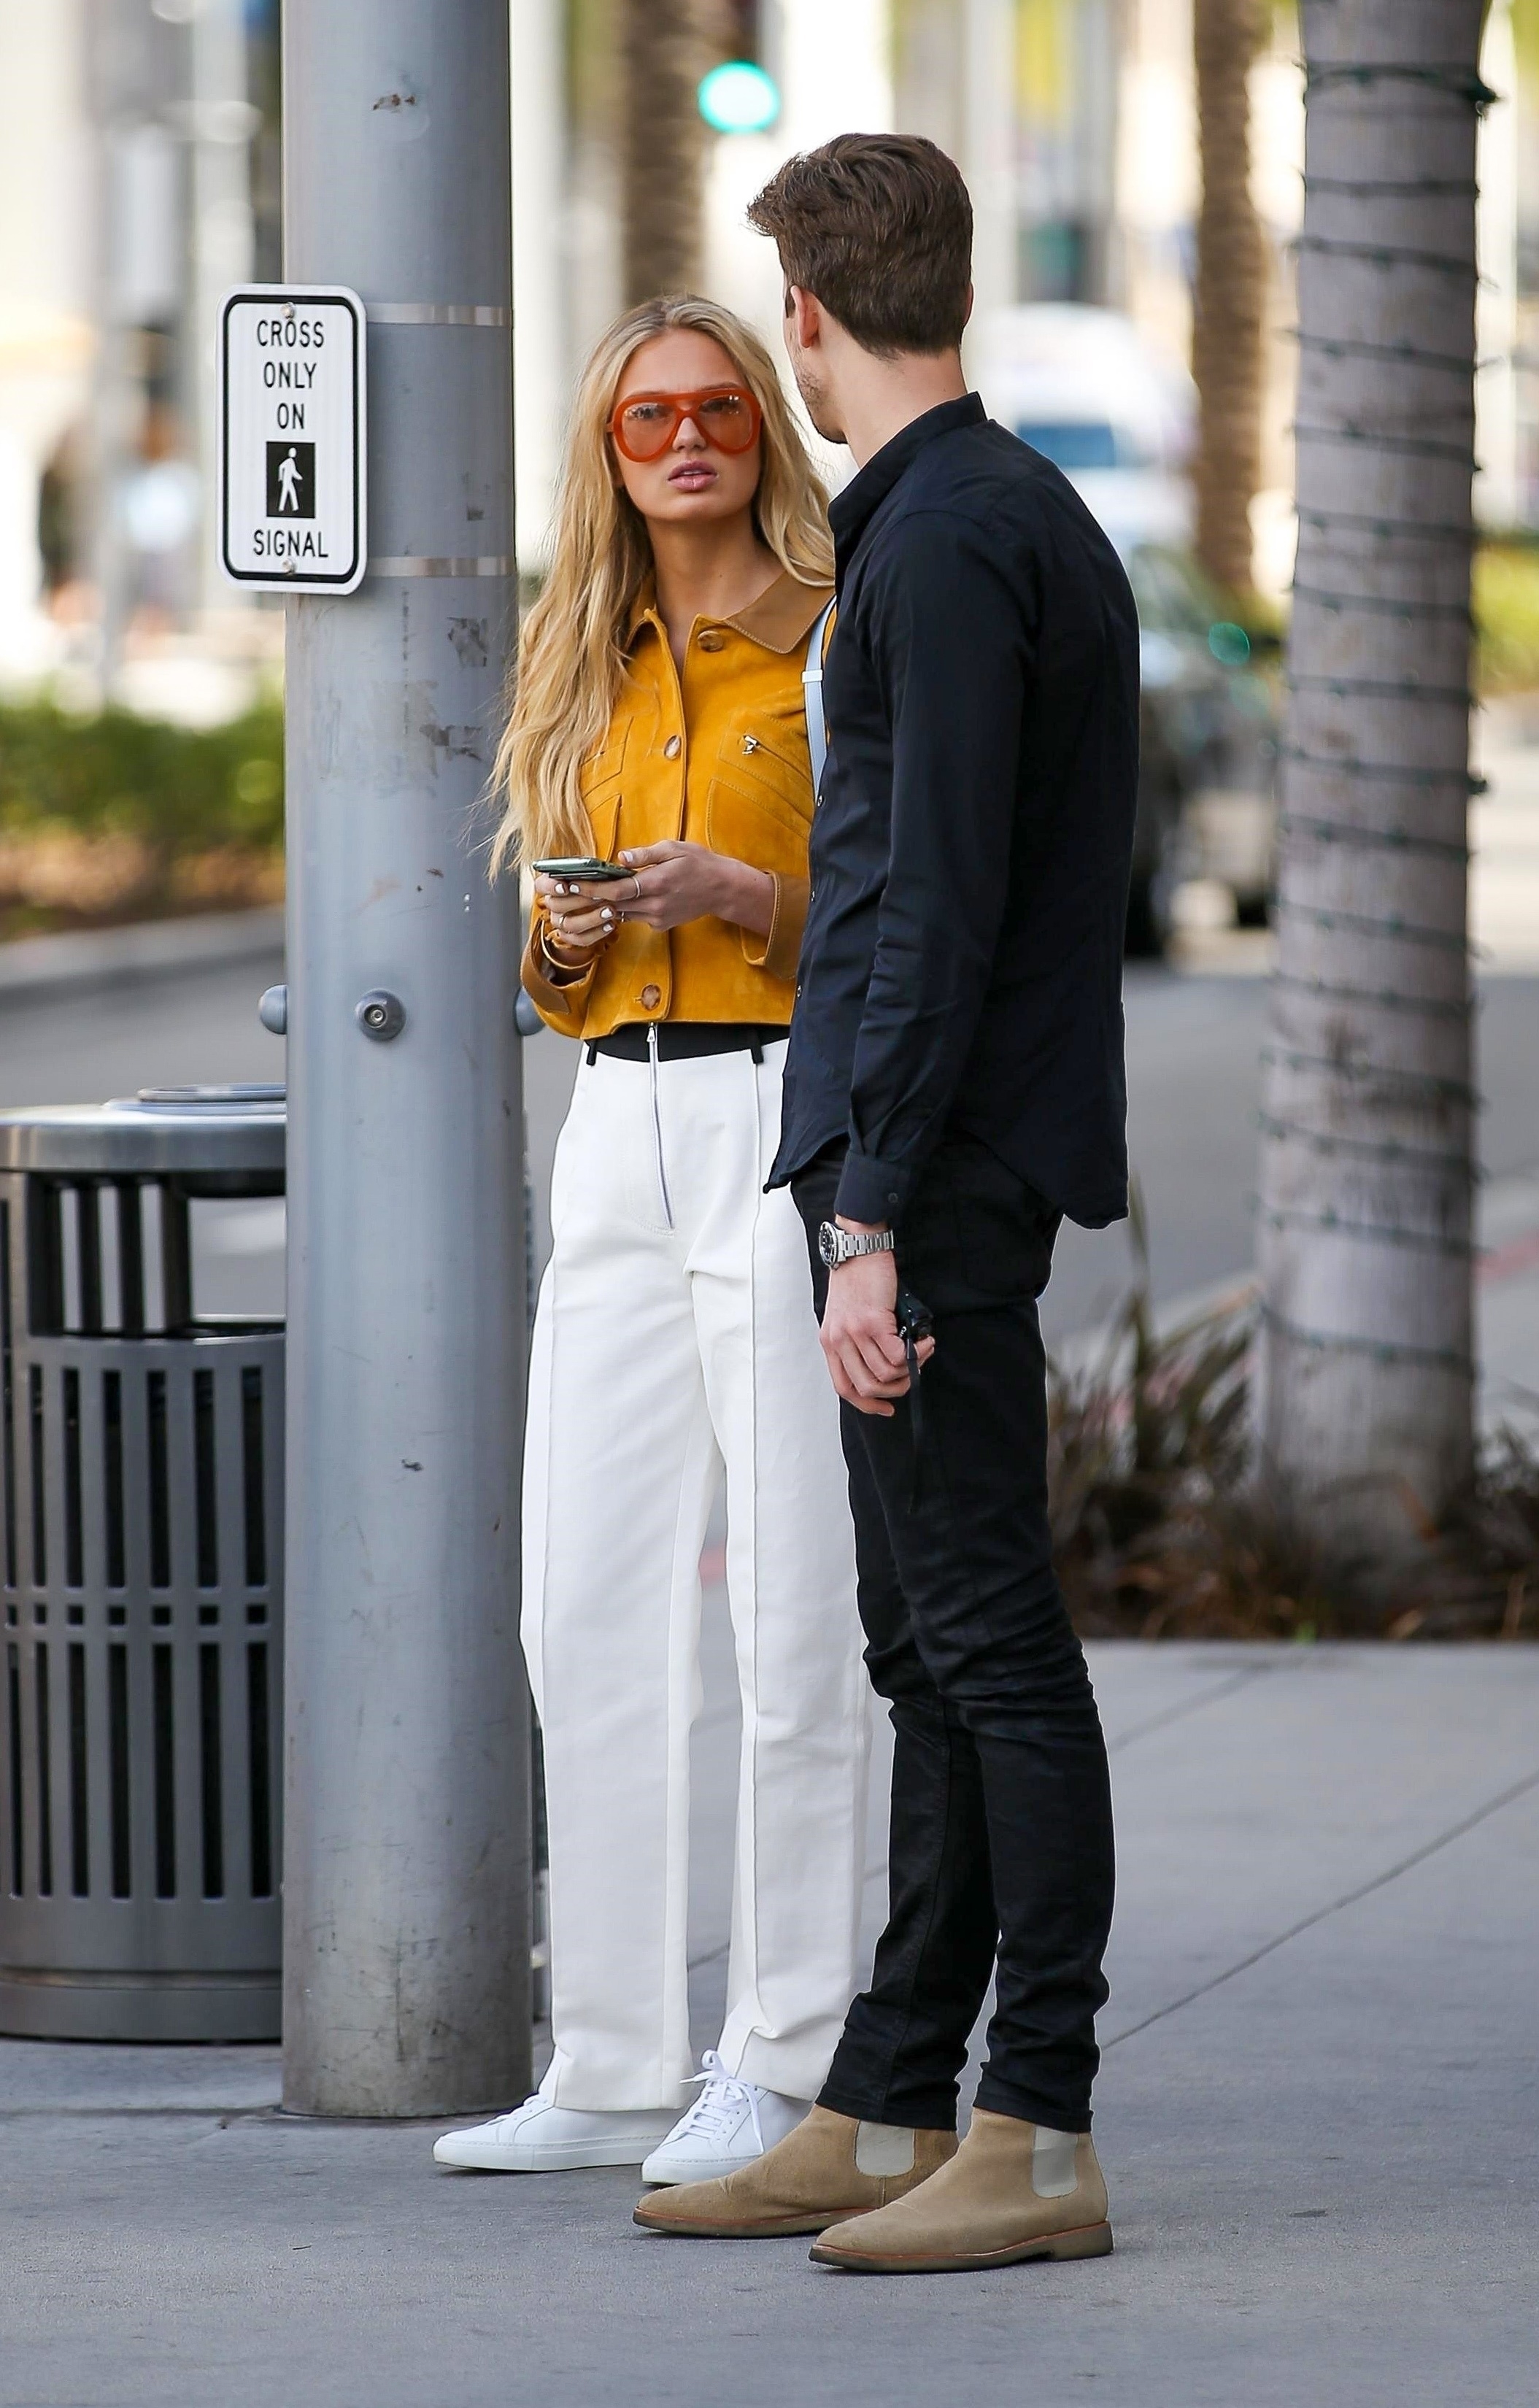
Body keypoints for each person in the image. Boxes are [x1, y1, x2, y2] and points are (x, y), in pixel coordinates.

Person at [636, 136, 1137, 2272]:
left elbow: (928, 910)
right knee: (925, 1647)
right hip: (935, 1162)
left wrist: (869, 1221)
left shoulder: (941, 542)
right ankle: (889, 2097)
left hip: (933, 1182)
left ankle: (1041, 2128)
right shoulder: (982, 514)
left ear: (814, 319)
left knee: (990, 1648)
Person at [434, 296, 869, 2183]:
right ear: (606, 456)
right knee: (583, 1602)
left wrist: (745, 894)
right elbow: (554, 980)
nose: (685, 440)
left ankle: (785, 2054)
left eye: (716, 409)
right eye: (646, 420)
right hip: (616, 1120)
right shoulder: (581, 654)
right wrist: (566, 938)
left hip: (783, 1113)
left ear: (765, 423)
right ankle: (610, 2055)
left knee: (792, 1610)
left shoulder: (838, 633)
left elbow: (899, 912)